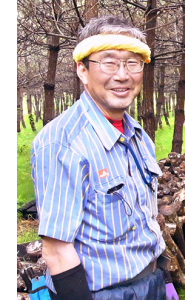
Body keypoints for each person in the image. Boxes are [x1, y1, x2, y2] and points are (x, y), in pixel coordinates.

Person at [31, 16, 176, 300]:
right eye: (108, 62)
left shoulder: (138, 136)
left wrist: (165, 277)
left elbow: (146, 218)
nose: (122, 75)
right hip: (102, 293)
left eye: (132, 63)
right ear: (82, 70)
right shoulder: (63, 144)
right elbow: (56, 250)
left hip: (151, 283)